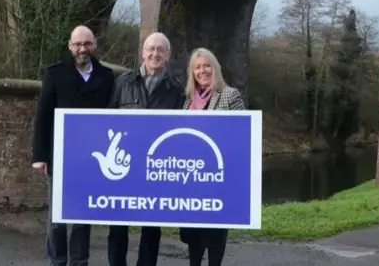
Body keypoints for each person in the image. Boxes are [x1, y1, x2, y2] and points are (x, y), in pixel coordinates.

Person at [31, 25, 116, 266]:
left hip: (90, 158)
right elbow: (43, 116)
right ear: (70, 46)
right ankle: (57, 260)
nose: (82, 49)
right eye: (78, 44)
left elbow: (110, 117)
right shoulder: (54, 74)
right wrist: (40, 155)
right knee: (57, 217)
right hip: (59, 156)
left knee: (82, 215)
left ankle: (79, 261)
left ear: (95, 45)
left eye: (87, 44)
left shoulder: (106, 76)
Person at [107, 31, 185, 266]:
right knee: (118, 224)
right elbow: (106, 122)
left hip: (155, 167)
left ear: (168, 55)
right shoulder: (122, 83)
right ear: (142, 52)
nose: (155, 54)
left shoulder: (177, 90)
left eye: (160, 50)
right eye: (151, 49)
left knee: (151, 227)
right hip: (124, 164)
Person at [179, 47, 245, 266]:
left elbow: (241, 135)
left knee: (215, 239)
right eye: (197, 67)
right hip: (191, 182)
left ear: (215, 68)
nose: (202, 71)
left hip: (218, 180)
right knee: (193, 238)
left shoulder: (230, 95)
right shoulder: (187, 101)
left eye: (206, 65)